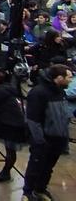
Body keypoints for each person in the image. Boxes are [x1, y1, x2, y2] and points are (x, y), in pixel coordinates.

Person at [22, 64, 73, 201]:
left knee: (48, 168)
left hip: (58, 139)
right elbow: (33, 119)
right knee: (35, 167)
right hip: (44, 140)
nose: (71, 80)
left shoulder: (61, 92)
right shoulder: (38, 93)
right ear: (59, 78)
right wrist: (40, 141)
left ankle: (40, 189)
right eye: (69, 77)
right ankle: (28, 192)